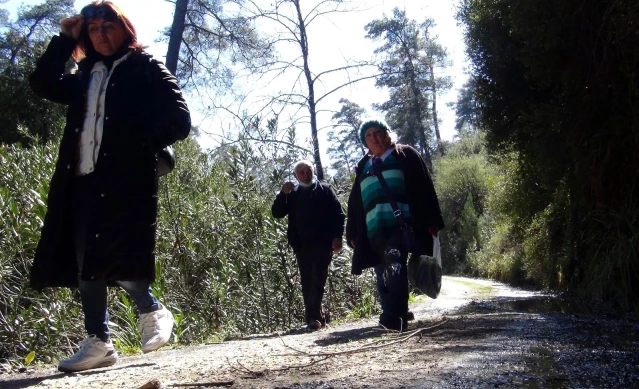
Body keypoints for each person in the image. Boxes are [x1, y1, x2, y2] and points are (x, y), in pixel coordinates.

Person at [28, 1, 191, 372]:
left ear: (124, 29)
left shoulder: (145, 67)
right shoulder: (85, 73)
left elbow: (179, 118)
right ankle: (99, 341)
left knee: (117, 256)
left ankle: (152, 310)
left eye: (108, 27)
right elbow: (42, 83)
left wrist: (135, 146)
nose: (101, 35)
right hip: (80, 176)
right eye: (94, 29)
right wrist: (64, 41)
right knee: (88, 262)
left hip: (125, 179)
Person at [346, 119, 445, 331]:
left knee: (394, 263)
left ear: (387, 133)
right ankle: (395, 310)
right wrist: (353, 231)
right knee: (383, 273)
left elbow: (425, 187)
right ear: (365, 141)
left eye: (378, 132)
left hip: (402, 224)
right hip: (375, 228)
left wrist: (432, 220)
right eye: (369, 135)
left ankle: (394, 317)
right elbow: (355, 201)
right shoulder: (364, 165)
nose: (375, 138)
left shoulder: (405, 154)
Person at [271, 160, 345, 330]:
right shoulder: (292, 193)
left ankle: (313, 317)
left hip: (323, 243)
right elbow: (277, 213)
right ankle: (315, 316)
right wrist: (282, 194)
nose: (306, 174)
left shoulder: (325, 189)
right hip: (301, 245)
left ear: (313, 171)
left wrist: (337, 237)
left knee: (319, 278)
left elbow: (338, 214)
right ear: (296, 175)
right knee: (307, 280)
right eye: (301, 172)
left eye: (308, 170)